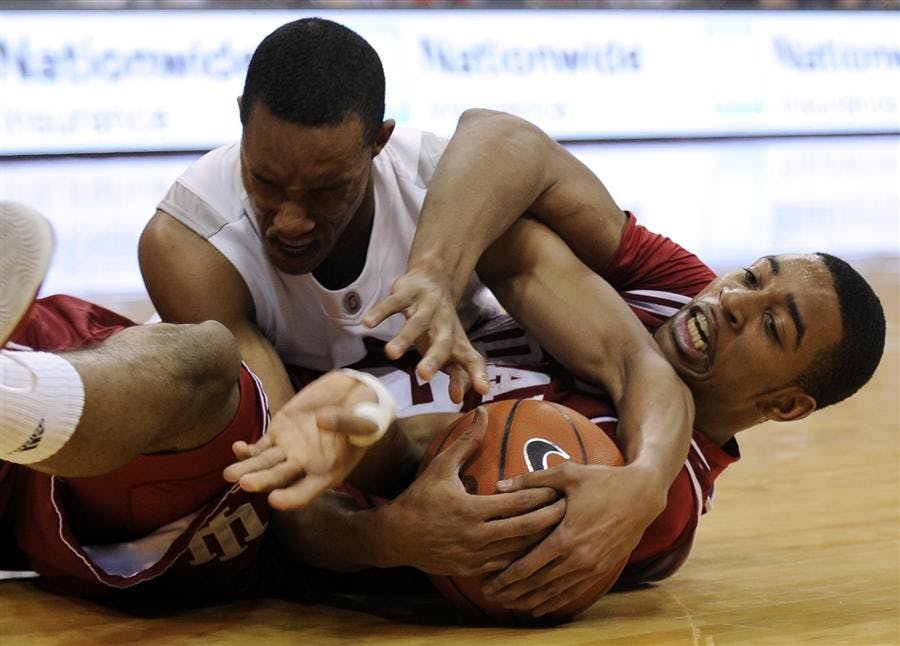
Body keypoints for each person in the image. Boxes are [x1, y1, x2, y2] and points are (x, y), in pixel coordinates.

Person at [225, 113, 886, 617]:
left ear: (786, 405)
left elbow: (420, 457)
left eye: (772, 325)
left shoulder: (654, 506)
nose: (733, 301)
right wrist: (435, 270)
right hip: (304, 354)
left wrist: (359, 413)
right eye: (752, 274)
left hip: (268, 498)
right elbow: (497, 136)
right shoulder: (679, 290)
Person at [138, 16, 696, 589]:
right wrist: (395, 539)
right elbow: (289, 491)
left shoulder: (447, 192)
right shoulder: (190, 244)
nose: (292, 219)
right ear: (240, 118)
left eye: (328, 188)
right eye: (267, 182)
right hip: (311, 414)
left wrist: (645, 485)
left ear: (379, 142)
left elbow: (637, 363)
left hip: (419, 414)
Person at [0, 201, 559, 603]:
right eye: (271, 189)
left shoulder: (562, 421)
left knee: (206, 366)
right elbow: (501, 139)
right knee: (208, 354)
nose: (291, 221)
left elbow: (336, 487)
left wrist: (388, 535)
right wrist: (369, 408)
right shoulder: (210, 240)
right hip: (87, 383)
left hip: (169, 482)